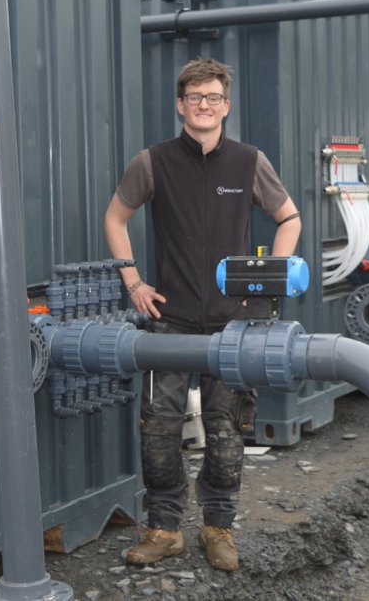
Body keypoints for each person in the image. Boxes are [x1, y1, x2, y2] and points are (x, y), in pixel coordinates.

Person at [103, 57, 301, 572]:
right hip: (170, 321)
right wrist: (134, 282)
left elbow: (289, 218)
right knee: (158, 429)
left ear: (226, 106)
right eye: (195, 97)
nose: (204, 105)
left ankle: (218, 529)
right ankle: (165, 529)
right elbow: (115, 218)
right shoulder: (153, 162)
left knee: (227, 429)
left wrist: (267, 280)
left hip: (233, 324)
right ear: (180, 105)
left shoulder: (249, 161)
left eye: (213, 97)